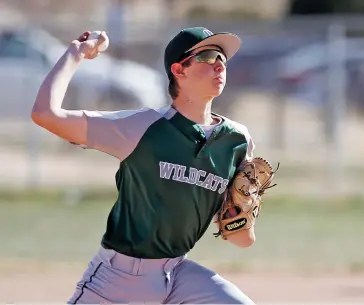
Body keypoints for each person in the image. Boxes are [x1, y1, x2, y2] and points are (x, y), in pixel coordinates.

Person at [31, 27, 259, 304]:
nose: (219, 65)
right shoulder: (141, 127)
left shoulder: (237, 141)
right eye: (208, 56)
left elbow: (242, 240)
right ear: (179, 69)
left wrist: (241, 214)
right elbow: (45, 114)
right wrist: (75, 55)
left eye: (223, 59)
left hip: (178, 275)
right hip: (117, 279)